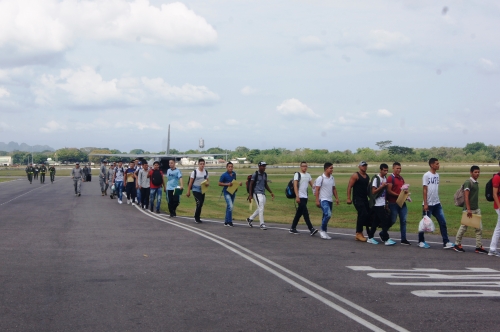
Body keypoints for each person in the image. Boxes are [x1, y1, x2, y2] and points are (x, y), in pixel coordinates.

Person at [419, 158, 455, 249]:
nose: (438, 165)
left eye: (439, 163)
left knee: (443, 222)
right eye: (437, 164)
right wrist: (425, 203)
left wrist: (438, 201)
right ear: (431, 165)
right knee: (425, 224)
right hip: (428, 204)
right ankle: (421, 241)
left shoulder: (437, 175)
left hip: (437, 204)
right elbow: (425, 189)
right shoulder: (426, 175)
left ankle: (446, 242)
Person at [453, 166, 487, 253]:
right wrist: (468, 209)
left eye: (478, 172)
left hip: (476, 208)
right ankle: (457, 244)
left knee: (479, 228)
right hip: (469, 209)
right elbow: (466, 196)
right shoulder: (468, 182)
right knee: (463, 227)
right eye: (475, 172)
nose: (477, 174)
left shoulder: (476, 182)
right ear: (471, 173)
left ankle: (478, 246)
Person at [367, 164, 396, 246]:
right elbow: (373, 192)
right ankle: (386, 238)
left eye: (387, 170)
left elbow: (385, 192)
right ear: (380, 170)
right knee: (384, 221)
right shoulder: (376, 178)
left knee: (376, 221)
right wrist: (382, 186)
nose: (386, 172)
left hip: (382, 203)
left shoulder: (385, 178)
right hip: (377, 204)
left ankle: (370, 237)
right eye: (384, 170)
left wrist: (386, 203)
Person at [289, 161, 318, 236]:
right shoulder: (297, 174)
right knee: (305, 213)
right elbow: (295, 186)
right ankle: (311, 229)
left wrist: (316, 192)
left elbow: (312, 186)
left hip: (305, 196)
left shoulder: (308, 175)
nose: (305, 167)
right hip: (300, 196)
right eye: (303, 166)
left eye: (306, 166)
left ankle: (292, 228)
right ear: (300, 167)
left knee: (299, 213)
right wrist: (297, 196)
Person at [386, 162, 411, 245]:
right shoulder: (390, 178)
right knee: (392, 220)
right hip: (393, 203)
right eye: (397, 168)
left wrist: (405, 194)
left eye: (400, 168)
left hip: (402, 202)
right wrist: (398, 195)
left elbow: (403, 189)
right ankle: (383, 232)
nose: (398, 170)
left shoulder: (401, 178)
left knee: (403, 220)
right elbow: (389, 191)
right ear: (393, 168)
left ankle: (403, 239)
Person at [346, 161, 371, 242]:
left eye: (365, 166)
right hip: (357, 199)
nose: (364, 167)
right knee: (363, 213)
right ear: (359, 167)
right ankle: (358, 233)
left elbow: (367, 189)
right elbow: (349, 187)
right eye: (363, 166)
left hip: (364, 199)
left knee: (366, 214)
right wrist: (348, 198)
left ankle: (366, 232)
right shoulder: (355, 175)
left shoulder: (367, 176)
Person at [247, 161, 275, 230]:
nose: (264, 167)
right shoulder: (255, 174)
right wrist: (250, 195)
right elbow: (251, 184)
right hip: (256, 193)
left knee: (260, 207)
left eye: (265, 166)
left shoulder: (265, 174)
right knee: (261, 207)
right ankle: (262, 224)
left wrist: (271, 192)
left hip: (263, 193)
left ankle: (250, 219)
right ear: (259, 166)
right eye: (263, 166)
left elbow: (265, 184)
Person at [314, 162, 339, 239]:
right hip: (323, 199)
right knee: (328, 214)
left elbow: (333, 188)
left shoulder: (332, 178)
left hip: (329, 200)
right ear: (326, 169)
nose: (332, 169)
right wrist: (317, 200)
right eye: (330, 168)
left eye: (332, 168)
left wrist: (336, 198)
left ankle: (324, 231)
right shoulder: (320, 178)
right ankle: (322, 230)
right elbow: (317, 190)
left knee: (325, 215)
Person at [218, 162, 242, 227]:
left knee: (229, 207)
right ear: (227, 167)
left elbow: (234, 181)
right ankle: (229, 221)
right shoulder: (224, 175)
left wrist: (237, 185)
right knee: (230, 206)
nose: (231, 168)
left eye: (232, 167)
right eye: (229, 167)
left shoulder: (234, 174)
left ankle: (226, 221)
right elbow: (219, 183)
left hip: (232, 192)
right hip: (226, 192)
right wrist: (227, 184)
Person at [187, 159, 209, 223]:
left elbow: (207, 180)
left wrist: (207, 183)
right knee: (199, 202)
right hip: (195, 188)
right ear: (198, 164)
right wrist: (188, 191)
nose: (202, 165)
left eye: (203, 164)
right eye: (201, 164)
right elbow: (190, 182)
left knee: (200, 204)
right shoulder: (194, 172)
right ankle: (196, 217)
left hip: (202, 189)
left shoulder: (206, 172)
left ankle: (198, 216)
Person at [489, 162, 500, 257]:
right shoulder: (497, 177)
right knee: (499, 228)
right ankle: (492, 249)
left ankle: (493, 249)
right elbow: (494, 194)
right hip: (499, 205)